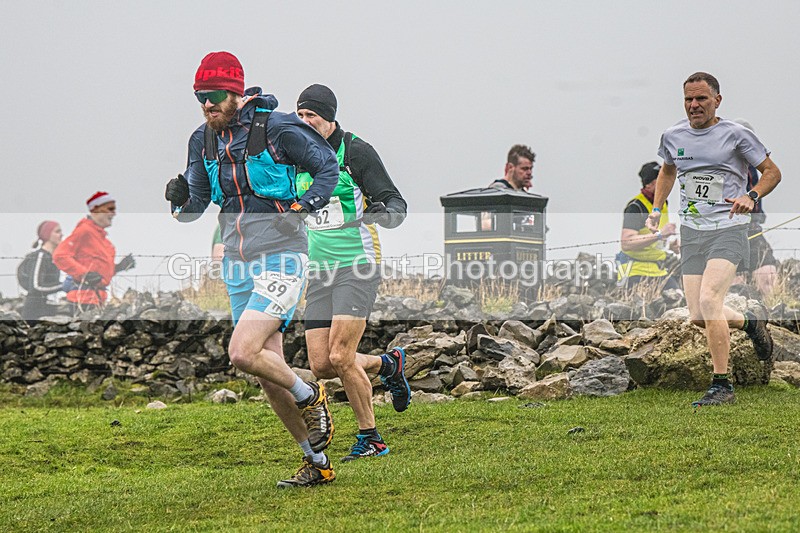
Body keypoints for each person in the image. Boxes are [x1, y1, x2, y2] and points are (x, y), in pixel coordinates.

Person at [164, 52, 340, 488]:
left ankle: (311, 394)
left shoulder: (277, 127)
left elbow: (327, 169)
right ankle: (316, 462)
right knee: (264, 371)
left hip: (282, 255)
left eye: (215, 96)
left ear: (237, 94)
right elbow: (195, 208)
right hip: (238, 263)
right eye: (200, 98)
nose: (207, 105)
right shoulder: (201, 141)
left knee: (242, 351)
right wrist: (178, 199)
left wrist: (300, 208)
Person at [647, 72, 781, 407]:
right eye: (689, 99)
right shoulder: (673, 134)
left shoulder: (736, 134)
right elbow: (667, 171)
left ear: (717, 100)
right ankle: (752, 322)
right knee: (697, 315)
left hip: (729, 228)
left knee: (710, 300)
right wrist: (656, 207)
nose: (694, 105)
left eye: (701, 99)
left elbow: (772, 172)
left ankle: (722, 386)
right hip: (692, 233)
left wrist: (751, 195)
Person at [295, 84, 411, 462]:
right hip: (319, 270)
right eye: (300, 116)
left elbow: (395, 201)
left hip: (356, 264)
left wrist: (386, 213)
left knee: (342, 356)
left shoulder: (356, 152)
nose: (305, 122)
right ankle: (387, 365)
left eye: (312, 115)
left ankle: (371, 437)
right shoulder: (294, 156)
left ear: (329, 118)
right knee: (322, 365)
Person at [53, 192, 136, 313]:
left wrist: (118, 267)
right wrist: (84, 274)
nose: (114, 213)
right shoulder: (84, 231)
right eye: (110, 209)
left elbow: (97, 273)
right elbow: (60, 255)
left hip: (98, 299)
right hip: (82, 299)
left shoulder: (104, 241)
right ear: (96, 210)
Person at [731, 119, 779, 298]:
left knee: (768, 275)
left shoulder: (755, 162)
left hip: (753, 228)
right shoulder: (721, 164)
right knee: (735, 283)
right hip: (729, 230)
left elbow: (773, 176)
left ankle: (771, 311)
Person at [617, 161, 680, 291]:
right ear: (650, 184)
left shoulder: (663, 204)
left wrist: (670, 245)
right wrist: (660, 235)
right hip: (635, 271)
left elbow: (653, 240)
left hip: (658, 270)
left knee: (679, 300)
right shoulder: (636, 207)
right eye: (662, 178)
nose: (668, 183)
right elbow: (626, 242)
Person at [19, 221, 64, 322]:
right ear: (47, 235)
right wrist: (63, 286)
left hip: (48, 309)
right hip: (35, 312)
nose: (61, 234)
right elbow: (36, 286)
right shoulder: (40, 256)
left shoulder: (52, 258)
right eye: (57, 231)